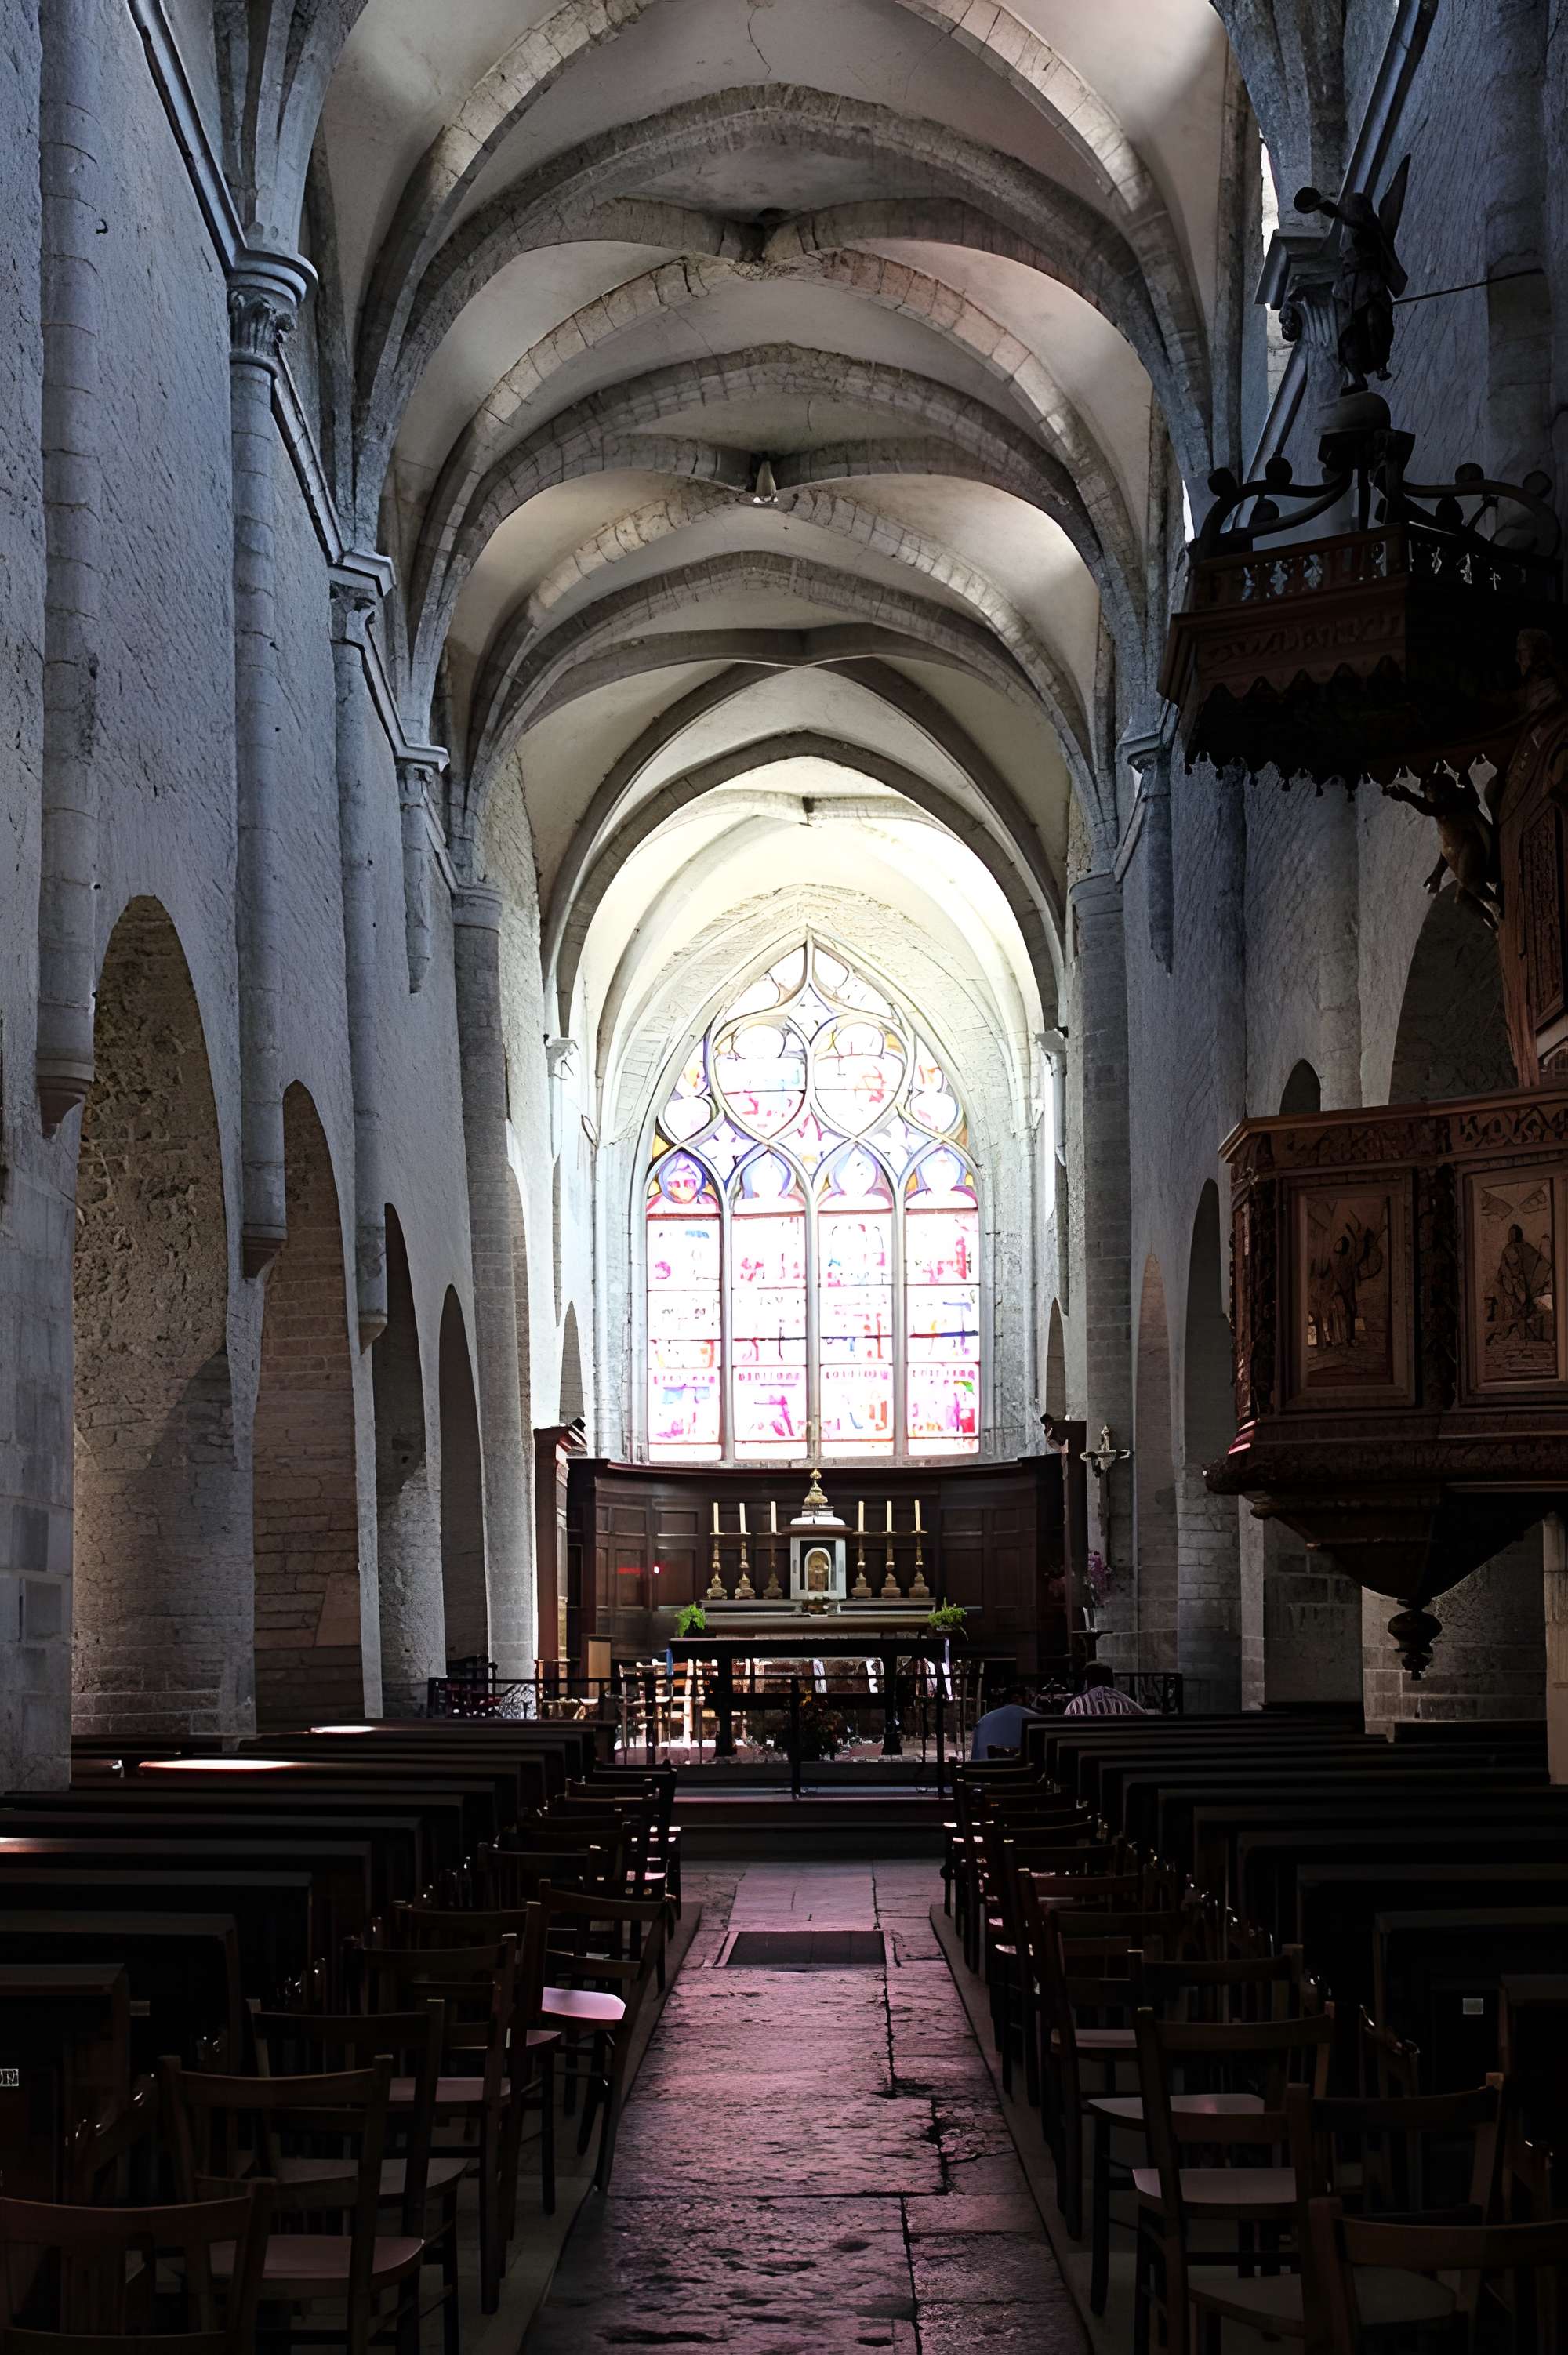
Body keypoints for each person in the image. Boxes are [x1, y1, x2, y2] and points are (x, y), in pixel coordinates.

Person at [970, 1684, 1042, 1760]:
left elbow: (976, 1758)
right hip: (1027, 1769)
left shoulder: (985, 1720)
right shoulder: (1035, 1719)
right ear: (1022, 1698)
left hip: (989, 1768)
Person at [1064, 1660, 1146, 1717]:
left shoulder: (1076, 1704)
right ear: (1111, 1680)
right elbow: (1143, 1718)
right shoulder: (1126, 1702)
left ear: (1088, 1682)